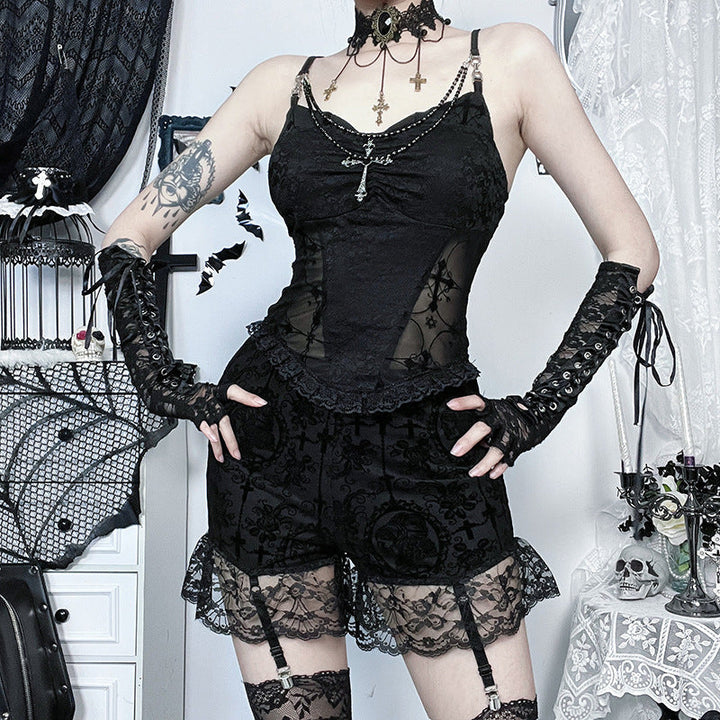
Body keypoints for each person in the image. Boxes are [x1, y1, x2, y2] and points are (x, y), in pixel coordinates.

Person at [93, 1, 659, 718]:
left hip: (427, 449)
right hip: (272, 448)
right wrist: (167, 385)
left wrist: (535, 412)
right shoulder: (278, 85)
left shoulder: (511, 59)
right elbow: (127, 238)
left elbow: (632, 252)